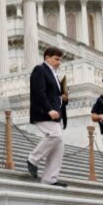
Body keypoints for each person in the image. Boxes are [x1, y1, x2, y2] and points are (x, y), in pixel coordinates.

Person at [26, 46, 69, 188]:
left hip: (55, 115)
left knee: (59, 145)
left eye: (60, 60)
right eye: (56, 59)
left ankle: (49, 178)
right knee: (55, 136)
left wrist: (63, 98)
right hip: (43, 113)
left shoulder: (55, 74)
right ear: (47, 58)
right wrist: (49, 110)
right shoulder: (40, 70)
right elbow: (39, 93)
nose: (59, 62)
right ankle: (33, 159)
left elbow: (53, 95)